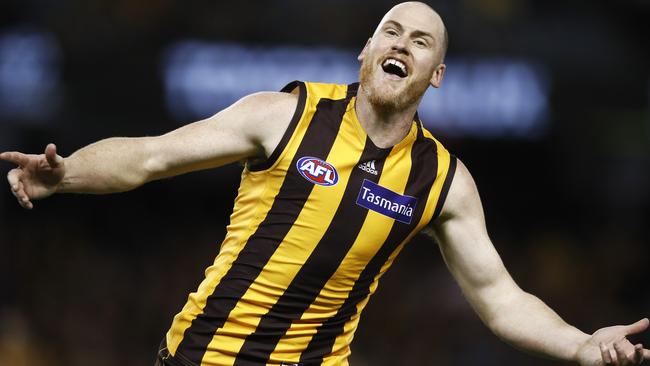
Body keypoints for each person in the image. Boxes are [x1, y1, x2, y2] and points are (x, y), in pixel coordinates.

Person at [1, 2, 648, 366]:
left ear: (438, 74)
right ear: (365, 52)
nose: (403, 44)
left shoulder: (444, 182)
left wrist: (582, 343)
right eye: (391, 31)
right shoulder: (282, 115)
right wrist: (69, 174)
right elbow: (149, 156)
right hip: (205, 357)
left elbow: (500, 299)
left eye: (421, 41)